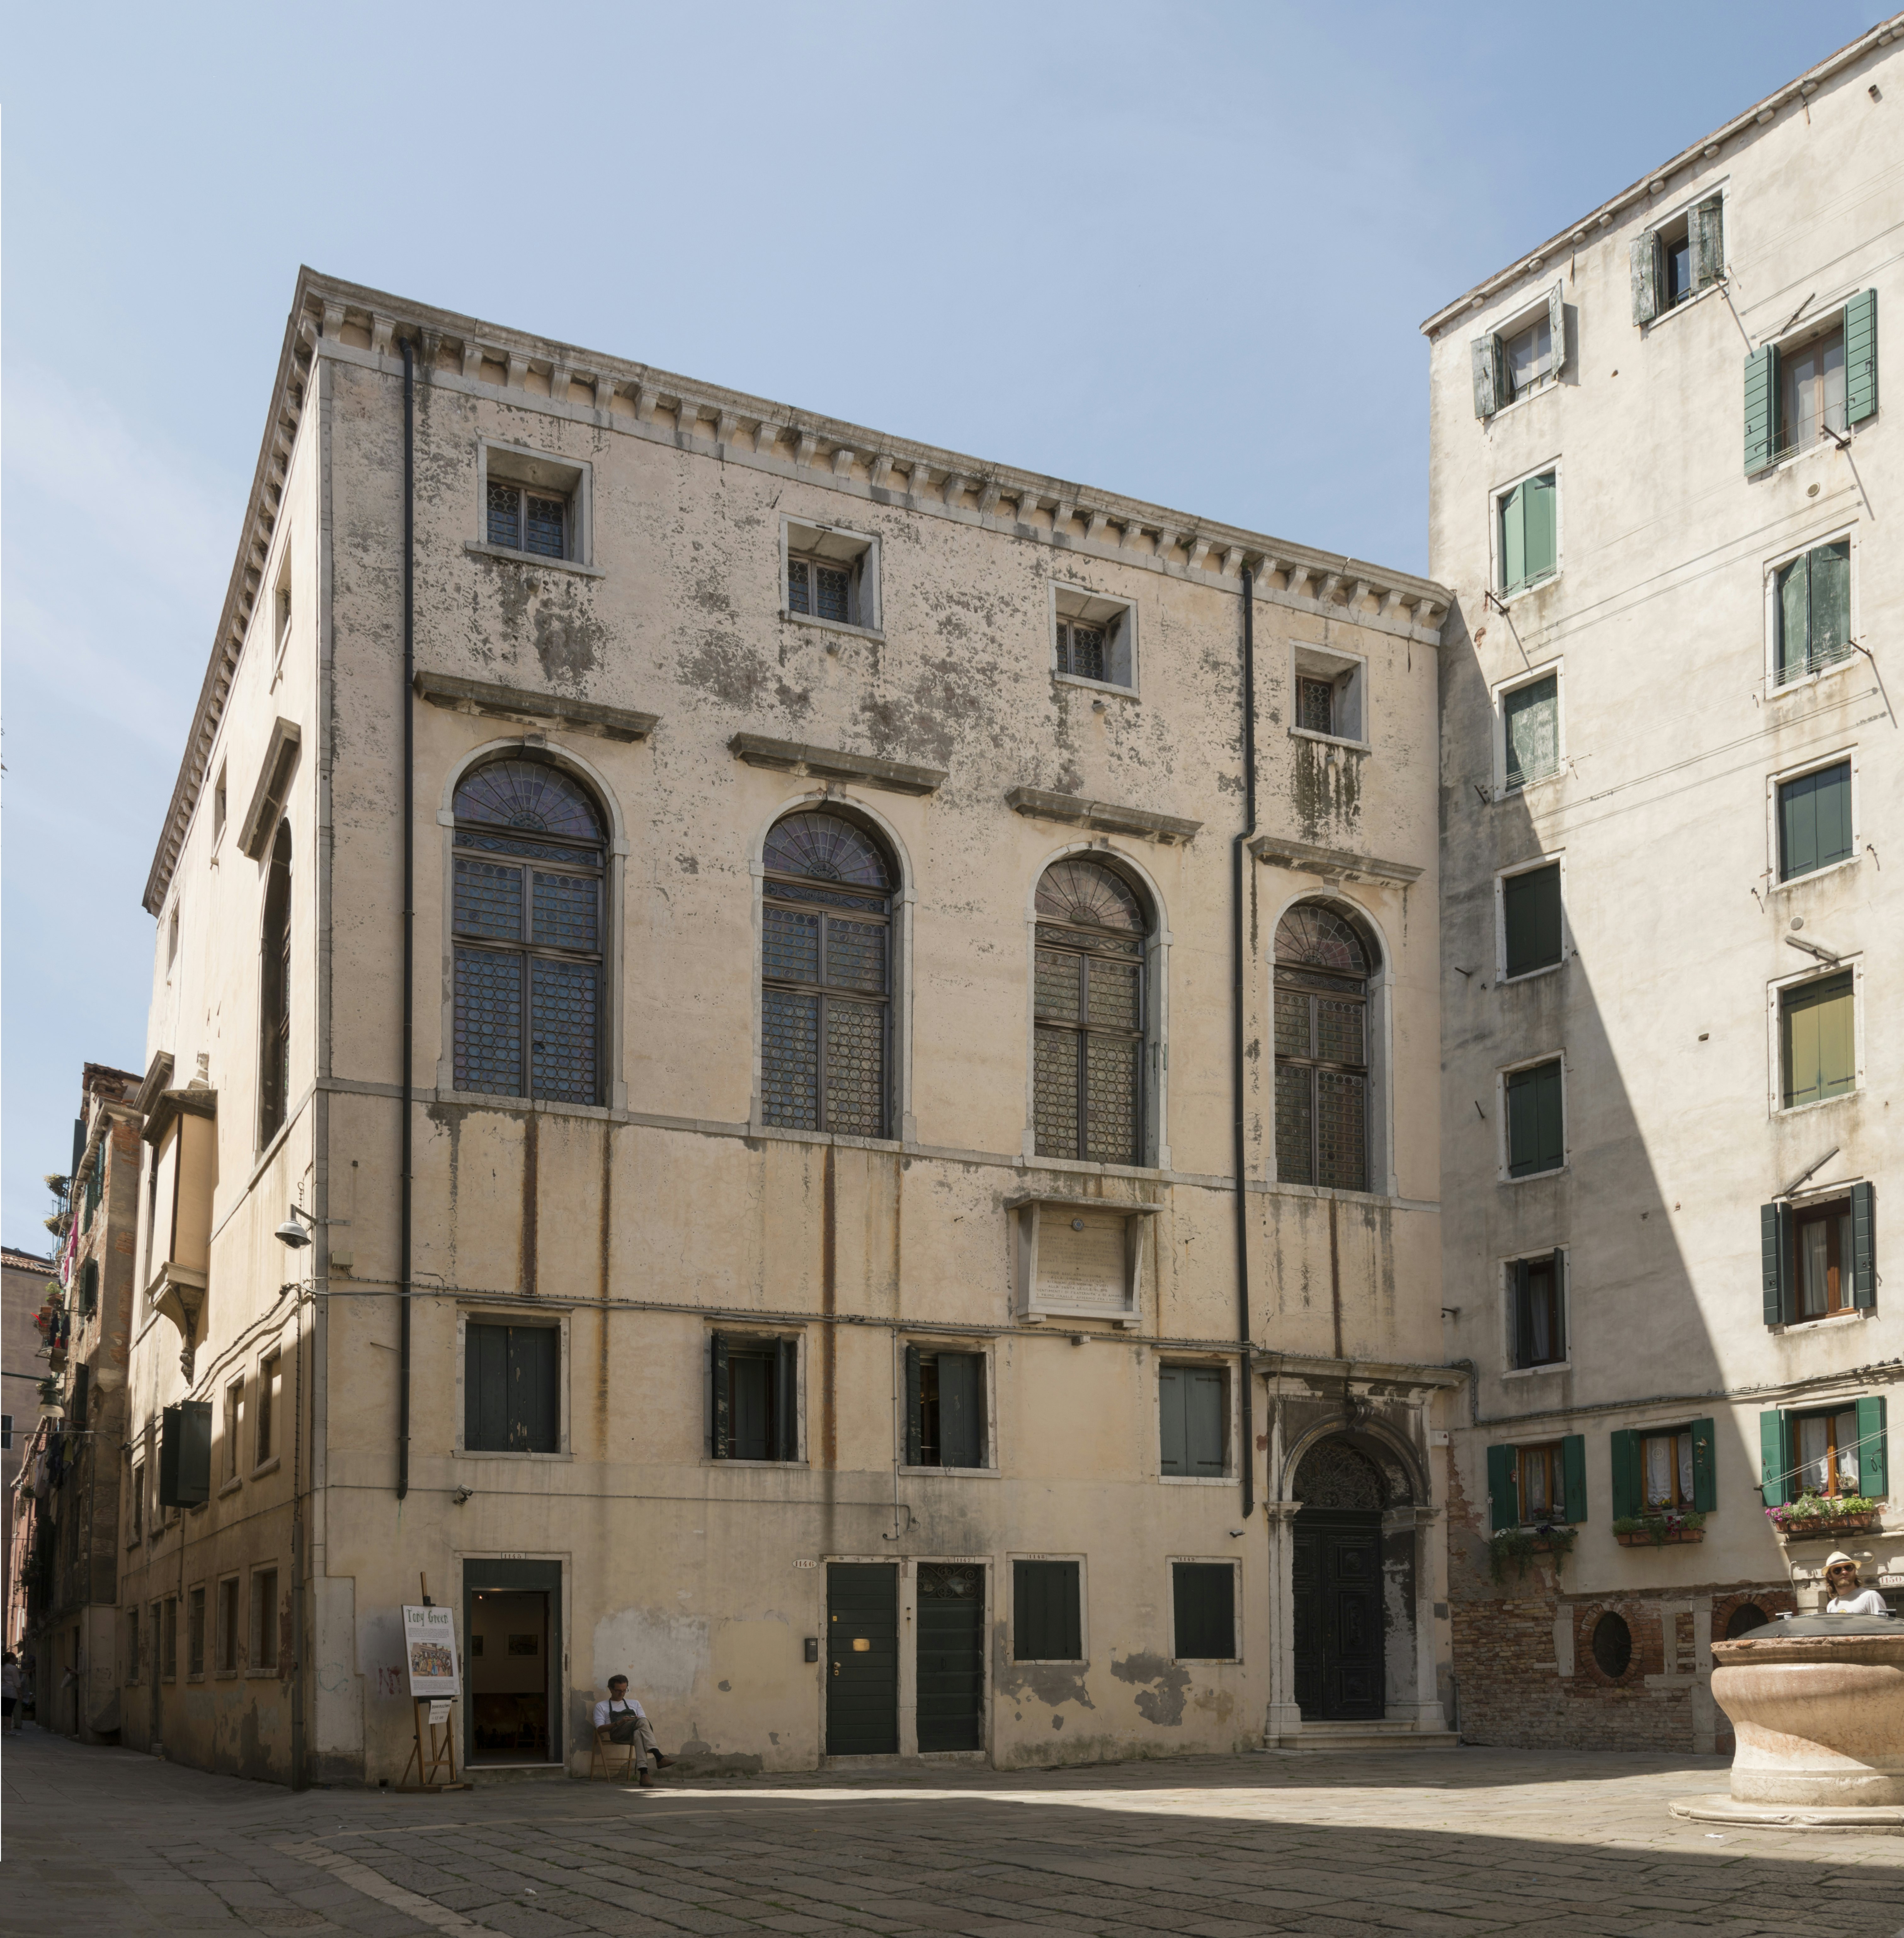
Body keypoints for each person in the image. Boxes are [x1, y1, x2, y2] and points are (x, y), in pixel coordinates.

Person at [590, 1675, 674, 1783]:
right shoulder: (601, 1706)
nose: (622, 1693)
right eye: (619, 1691)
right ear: (611, 1690)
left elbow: (644, 1722)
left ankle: (644, 1774)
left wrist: (634, 1721)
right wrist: (619, 1723)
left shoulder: (634, 1703)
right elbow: (600, 1729)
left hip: (633, 1734)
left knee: (639, 1732)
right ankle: (658, 1756)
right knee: (642, 1723)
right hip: (618, 1734)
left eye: (625, 1690)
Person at [1821, 1551, 1890, 1615]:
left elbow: (1883, 1626)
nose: (1844, 1572)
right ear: (1830, 1576)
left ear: (1855, 1571)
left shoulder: (1870, 1597)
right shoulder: (1832, 1606)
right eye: (1837, 1570)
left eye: (1848, 1568)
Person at [2, 1653, 18, 1731]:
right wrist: (20, 1693)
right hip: (11, 1692)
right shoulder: (13, 1668)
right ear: (11, 1659)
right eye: (15, 1657)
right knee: (8, 1712)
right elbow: (17, 1682)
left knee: (2, 1712)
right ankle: (8, 1730)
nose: (17, 1659)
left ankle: (2, 1729)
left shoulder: (2, 1667)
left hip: (2, 1691)